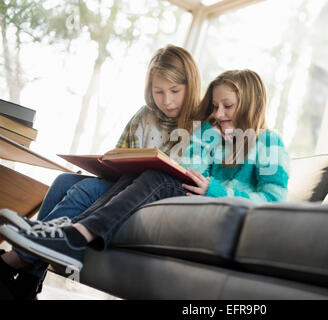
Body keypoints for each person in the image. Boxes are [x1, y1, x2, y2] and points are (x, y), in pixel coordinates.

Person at [0, 69, 289, 295]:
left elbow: (275, 199)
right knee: (136, 174)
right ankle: (68, 236)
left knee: (157, 176)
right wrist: (205, 136)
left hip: (206, 202)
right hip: (189, 199)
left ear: (251, 104)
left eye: (227, 106)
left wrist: (215, 190)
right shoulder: (215, 136)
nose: (218, 114)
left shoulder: (268, 141)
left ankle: (70, 238)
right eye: (215, 106)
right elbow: (190, 169)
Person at [0, 44, 201, 299]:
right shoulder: (144, 115)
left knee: (83, 190)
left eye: (175, 91)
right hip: (119, 181)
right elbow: (121, 153)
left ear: (190, 85)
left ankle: (15, 261)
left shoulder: (198, 123)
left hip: (143, 191)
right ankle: (30, 279)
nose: (167, 100)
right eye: (158, 91)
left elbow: (183, 171)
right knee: (63, 180)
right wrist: (107, 162)